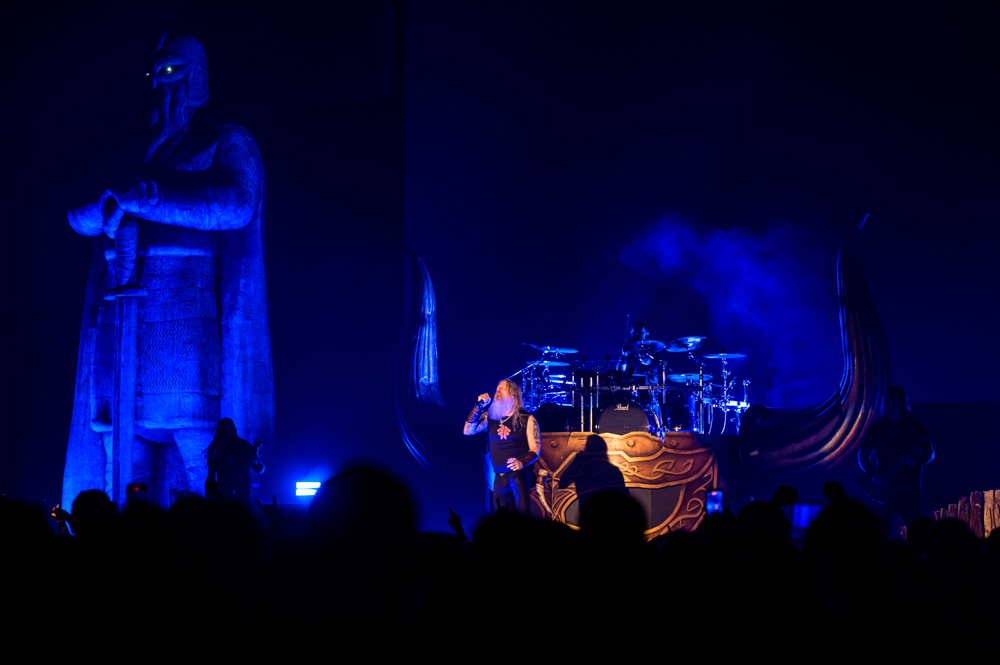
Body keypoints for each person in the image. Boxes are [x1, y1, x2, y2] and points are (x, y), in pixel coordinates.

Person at [63, 32, 274, 506]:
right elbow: (77, 216)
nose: (161, 84)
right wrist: (111, 205)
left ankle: (213, 535)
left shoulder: (224, 140)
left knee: (201, 453)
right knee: (123, 461)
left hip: (186, 321)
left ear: (198, 77)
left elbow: (239, 202)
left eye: (173, 70)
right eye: (154, 74)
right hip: (118, 320)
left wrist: (154, 196)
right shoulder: (128, 151)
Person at [858, 386, 935, 537]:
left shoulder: (914, 425)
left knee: (918, 533)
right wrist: (872, 475)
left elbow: (930, 453)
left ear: (900, 400)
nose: (886, 401)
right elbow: (863, 455)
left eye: (891, 397)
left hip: (909, 488)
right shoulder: (877, 428)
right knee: (878, 534)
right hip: (884, 489)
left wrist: (917, 461)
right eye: (885, 398)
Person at [463, 380, 541, 514]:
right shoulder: (491, 417)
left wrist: (521, 462)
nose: (497, 391)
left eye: (503, 388)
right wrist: (478, 406)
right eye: (497, 388)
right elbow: (468, 431)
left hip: (520, 473)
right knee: (502, 520)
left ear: (513, 395)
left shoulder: (527, 418)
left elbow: (536, 448)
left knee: (517, 482)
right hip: (500, 477)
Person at [204, 418, 264, 504]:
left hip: (238, 497)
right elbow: (211, 477)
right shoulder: (216, 451)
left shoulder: (241, 446)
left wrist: (255, 462)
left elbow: (259, 469)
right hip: (231, 498)